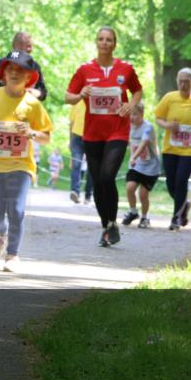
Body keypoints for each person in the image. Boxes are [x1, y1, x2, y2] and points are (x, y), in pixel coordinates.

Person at [0, 51, 53, 271]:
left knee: (16, 209)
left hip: (21, 164)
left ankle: (13, 255)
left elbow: (46, 136)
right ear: (3, 74)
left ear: (29, 77)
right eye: (11, 69)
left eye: (20, 70)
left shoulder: (32, 104)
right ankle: (1, 229)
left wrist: (31, 132)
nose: (15, 73)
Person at [65, 26, 143, 247]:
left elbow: (137, 90)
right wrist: (80, 94)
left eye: (109, 39)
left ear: (114, 44)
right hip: (92, 133)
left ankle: (111, 223)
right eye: (101, 39)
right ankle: (108, 226)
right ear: (96, 42)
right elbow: (68, 97)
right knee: (98, 181)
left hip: (117, 130)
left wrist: (131, 105)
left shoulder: (125, 68)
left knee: (107, 176)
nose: (104, 43)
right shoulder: (85, 70)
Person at [154, 68, 191, 231]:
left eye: (186, 82)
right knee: (171, 183)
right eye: (180, 81)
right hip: (170, 147)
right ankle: (184, 205)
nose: (183, 85)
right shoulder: (169, 98)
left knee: (181, 180)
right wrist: (168, 125)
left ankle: (176, 218)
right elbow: (158, 117)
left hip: (190, 148)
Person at [121, 102, 160, 229]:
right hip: (137, 165)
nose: (132, 117)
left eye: (135, 114)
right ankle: (133, 212)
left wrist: (134, 157)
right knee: (130, 188)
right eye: (130, 114)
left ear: (142, 114)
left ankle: (145, 217)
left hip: (151, 166)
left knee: (143, 195)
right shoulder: (128, 126)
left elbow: (143, 143)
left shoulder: (148, 128)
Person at [0, 31, 48, 100]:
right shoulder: (0, 64)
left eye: (31, 46)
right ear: (15, 46)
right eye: (27, 46)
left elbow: (43, 91)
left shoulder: (34, 67)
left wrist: (37, 93)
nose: (30, 49)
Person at [67, 101, 94, 204]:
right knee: (76, 164)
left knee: (92, 167)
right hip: (77, 137)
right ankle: (75, 191)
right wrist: (70, 140)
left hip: (92, 137)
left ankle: (88, 195)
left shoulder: (95, 101)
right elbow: (71, 123)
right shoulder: (76, 102)